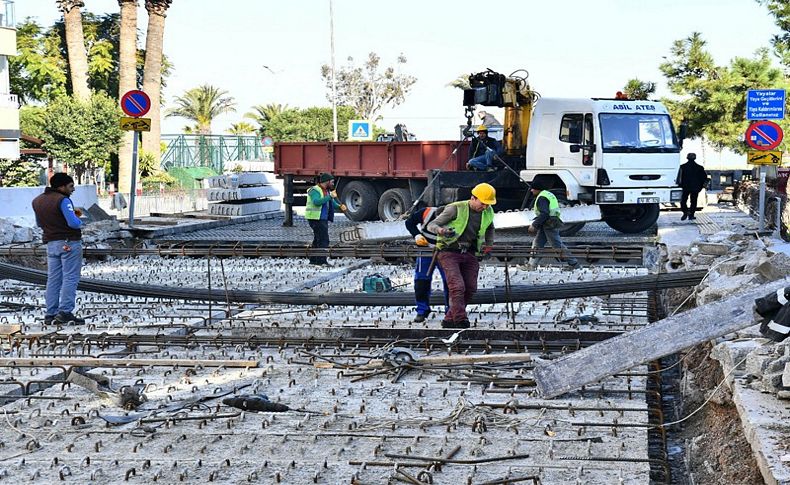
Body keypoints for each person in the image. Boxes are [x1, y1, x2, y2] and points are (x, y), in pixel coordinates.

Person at [427, 183, 496, 329]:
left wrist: (489, 245)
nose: (484, 207)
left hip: (470, 252)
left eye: (487, 205)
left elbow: (490, 228)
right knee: (457, 287)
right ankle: (460, 321)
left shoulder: (488, 211)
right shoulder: (455, 208)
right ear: (473, 198)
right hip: (449, 251)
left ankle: (448, 319)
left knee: (470, 288)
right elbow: (431, 225)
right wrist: (441, 231)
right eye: (483, 204)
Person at [31, 173, 85, 325]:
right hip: (69, 243)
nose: (73, 189)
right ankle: (65, 312)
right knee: (70, 277)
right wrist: (79, 218)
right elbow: (73, 223)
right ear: (61, 187)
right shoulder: (63, 200)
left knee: (53, 278)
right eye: (71, 186)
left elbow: (39, 224)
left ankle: (50, 313)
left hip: (51, 243)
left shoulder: (37, 201)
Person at [405, 205, 448, 323]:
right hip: (425, 249)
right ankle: (422, 310)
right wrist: (417, 235)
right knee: (421, 281)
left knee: (450, 281)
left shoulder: (455, 217)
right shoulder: (426, 212)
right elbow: (409, 223)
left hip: (446, 251)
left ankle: (450, 310)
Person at [527, 179, 579, 269]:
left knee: (556, 245)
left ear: (538, 189)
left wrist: (534, 224)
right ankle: (531, 265)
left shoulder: (542, 198)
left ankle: (574, 263)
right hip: (550, 222)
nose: (531, 190)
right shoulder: (547, 194)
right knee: (537, 243)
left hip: (549, 223)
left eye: (533, 189)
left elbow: (544, 213)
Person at [305, 172, 346, 265]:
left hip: (322, 218)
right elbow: (317, 202)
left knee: (318, 239)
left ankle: (314, 260)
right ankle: (321, 261)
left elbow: (331, 202)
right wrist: (330, 196)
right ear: (326, 181)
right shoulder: (315, 190)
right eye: (332, 181)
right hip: (315, 218)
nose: (333, 183)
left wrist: (340, 206)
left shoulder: (326, 190)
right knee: (323, 240)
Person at [676, 153, 707, 220]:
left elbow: (679, 177)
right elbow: (704, 178)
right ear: (695, 158)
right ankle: (691, 215)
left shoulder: (682, 167)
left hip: (685, 187)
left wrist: (679, 185)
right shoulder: (699, 167)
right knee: (693, 201)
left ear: (687, 158)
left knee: (683, 200)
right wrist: (701, 186)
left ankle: (685, 212)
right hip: (696, 187)